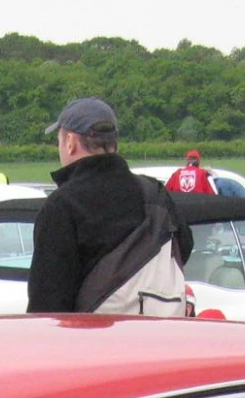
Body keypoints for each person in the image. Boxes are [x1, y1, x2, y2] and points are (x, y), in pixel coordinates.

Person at [27, 97, 191, 314]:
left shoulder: (62, 205)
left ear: (70, 141)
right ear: (114, 144)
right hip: (162, 336)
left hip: (96, 341)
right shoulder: (154, 193)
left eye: (59, 140)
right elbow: (184, 246)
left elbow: (48, 299)